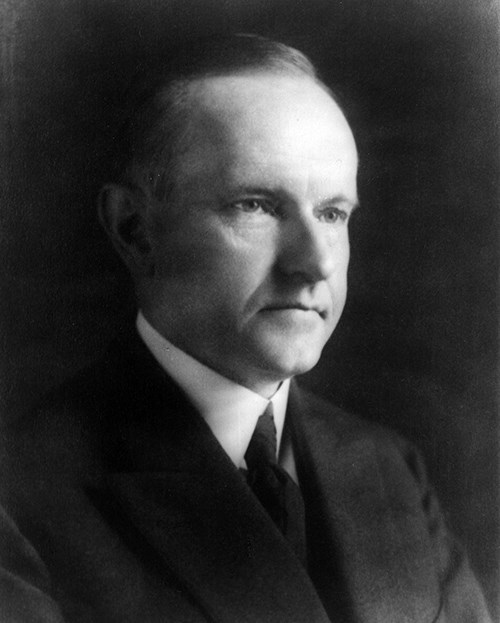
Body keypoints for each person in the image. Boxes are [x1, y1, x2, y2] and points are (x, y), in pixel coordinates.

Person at [0, 33, 491, 623]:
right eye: (256, 205)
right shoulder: (21, 495)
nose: (316, 262)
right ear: (134, 230)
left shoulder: (389, 471)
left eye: (333, 213)